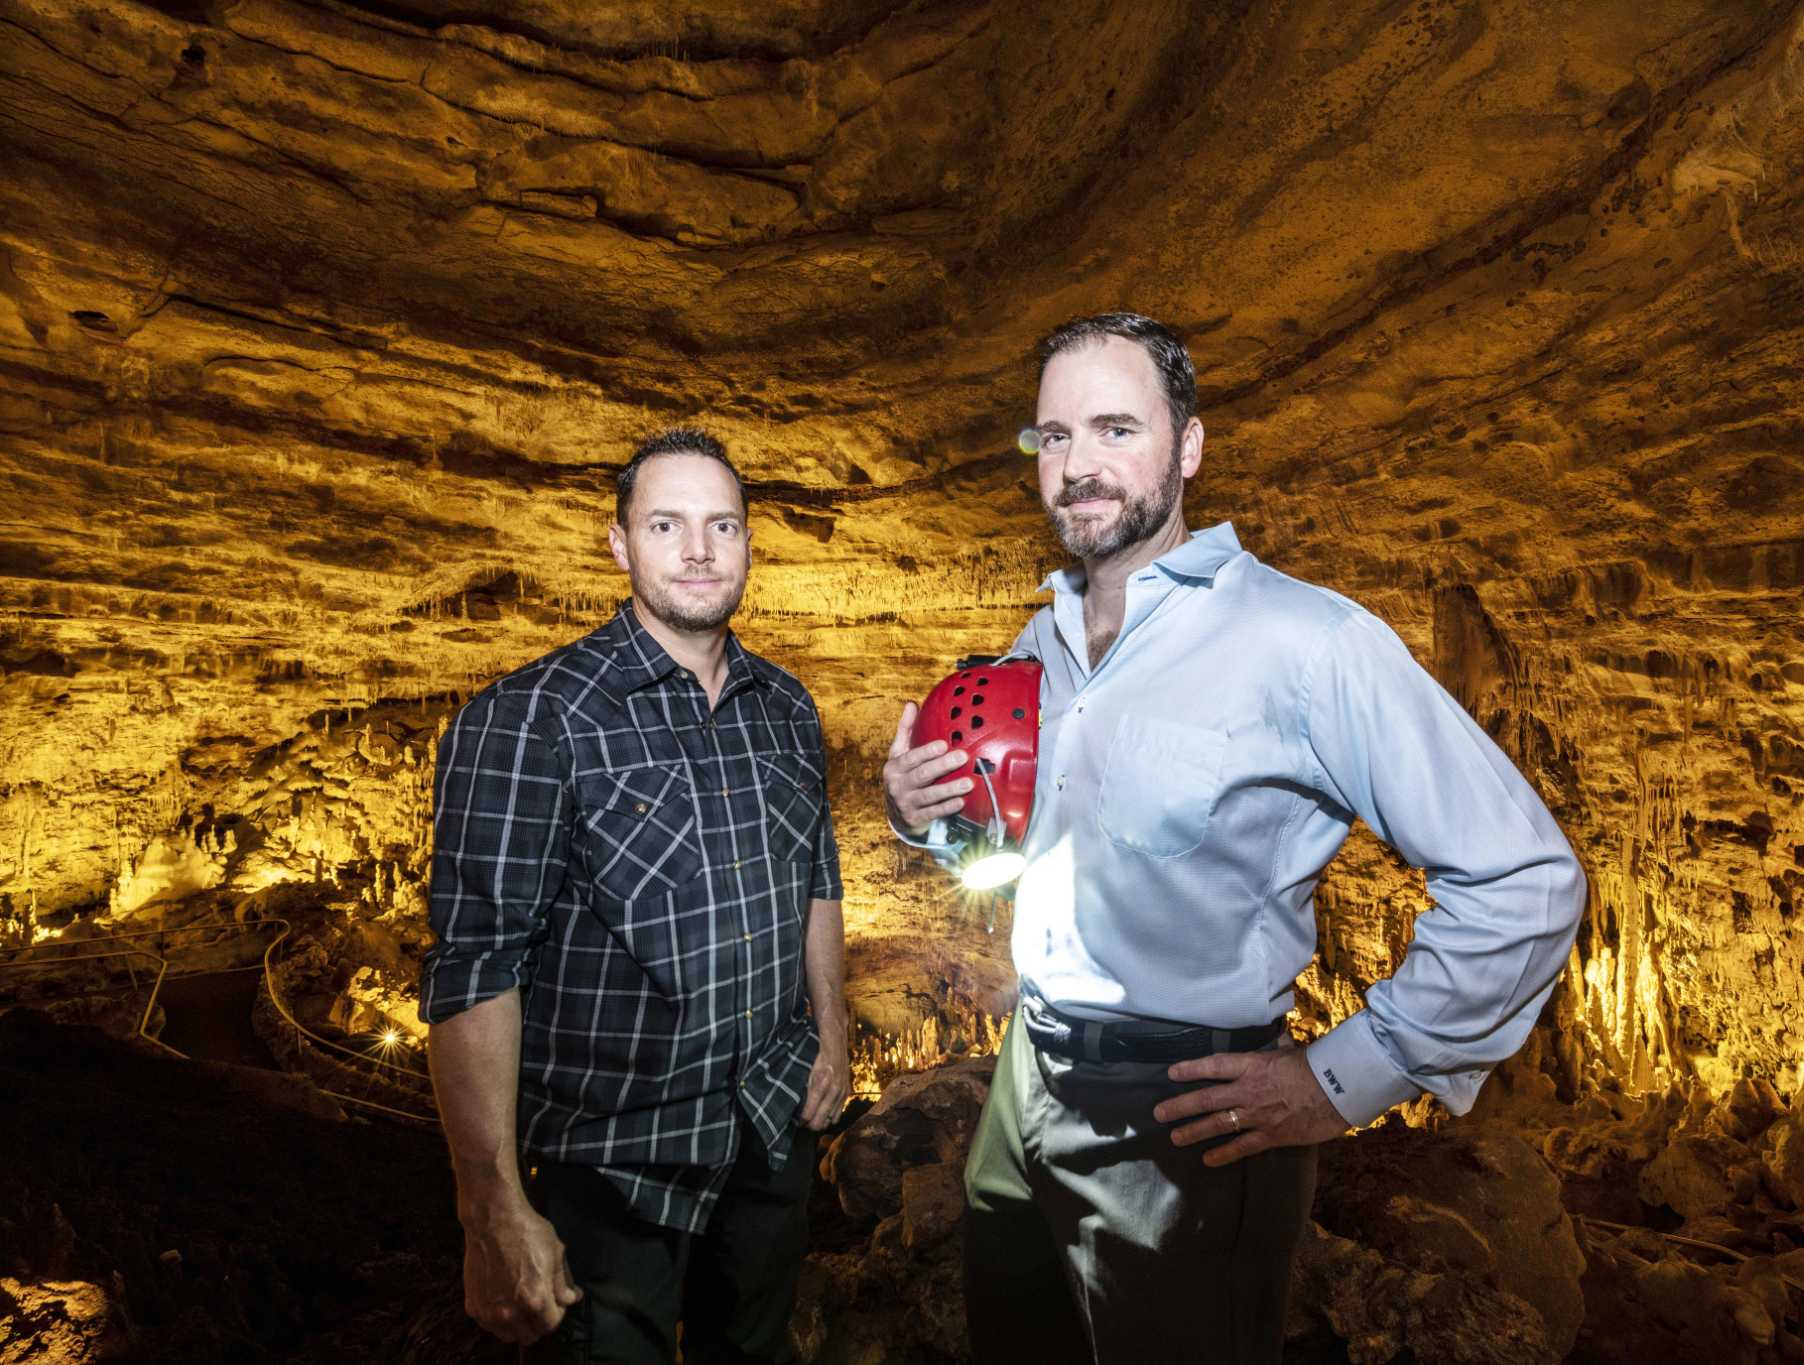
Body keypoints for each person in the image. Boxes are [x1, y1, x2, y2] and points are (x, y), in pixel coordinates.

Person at [881, 313, 1587, 1365]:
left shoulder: (1306, 643)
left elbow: (1524, 879)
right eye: (1054, 437)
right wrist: (921, 814)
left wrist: (1349, 1072)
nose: (1079, 466)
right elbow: (1024, 847)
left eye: (1116, 429)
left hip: (1185, 1111)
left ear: (1189, 447)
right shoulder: (1041, 645)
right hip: (1022, 1076)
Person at [422, 428, 849, 1365]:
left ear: (746, 544)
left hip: (769, 1130)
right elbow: (474, 965)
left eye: (721, 525)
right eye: (667, 523)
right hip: (614, 1160)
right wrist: (490, 1206)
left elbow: (816, 871)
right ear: (621, 543)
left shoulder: (786, 707)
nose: (698, 549)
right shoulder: (528, 718)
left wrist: (834, 1031)